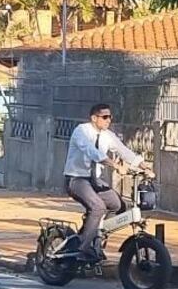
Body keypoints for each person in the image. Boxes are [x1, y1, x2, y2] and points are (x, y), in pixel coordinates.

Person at [63, 103, 154, 261]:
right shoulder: (82, 131)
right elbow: (92, 152)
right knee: (98, 207)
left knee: (118, 205)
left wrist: (142, 164)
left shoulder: (107, 135)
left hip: (94, 180)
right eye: (104, 117)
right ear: (94, 118)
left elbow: (123, 150)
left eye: (110, 117)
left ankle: (95, 237)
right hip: (76, 179)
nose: (108, 120)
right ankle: (82, 249)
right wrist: (115, 166)